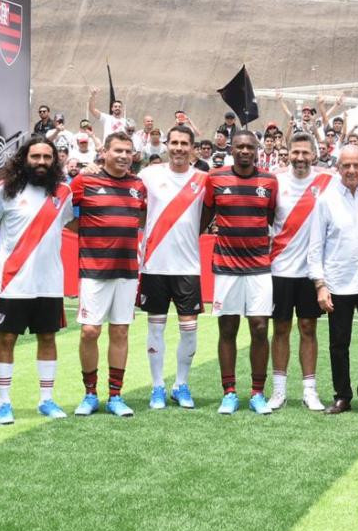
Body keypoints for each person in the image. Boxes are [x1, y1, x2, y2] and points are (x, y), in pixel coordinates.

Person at [0, 136, 74, 423]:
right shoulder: (3, 191)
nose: (41, 162)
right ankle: (3, 402)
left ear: (54, 161)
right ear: (24, 158)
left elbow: (64, 224)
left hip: (49, 282)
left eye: (47, 157)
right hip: (13, 281)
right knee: (7, 338)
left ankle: (46, 400)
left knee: (47, 337)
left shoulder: (64, 192)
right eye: (35, 157)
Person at [307, 146, 358, 416]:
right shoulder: (326, 199)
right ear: (338, 167)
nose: (352, 170)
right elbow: (315, 246)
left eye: (356, 165)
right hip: (338, 282)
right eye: (346, 166)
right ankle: (342, 396)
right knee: (339, 343)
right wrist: (320, 285)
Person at [70, 132, 146, 417]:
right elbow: (64, 215)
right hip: (93, 269)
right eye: (118, 151)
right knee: (90, 331)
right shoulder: (85, 181)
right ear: (104, 152)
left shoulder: (138, 185)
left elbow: (142, 217)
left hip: (127, 269)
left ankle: (115, 395)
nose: (124, 156)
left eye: (128, 151)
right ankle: (90, 393)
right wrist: (91, 232)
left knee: (121, 330)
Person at [203, 131, 279, 415]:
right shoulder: (215, 178)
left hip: (259, 265)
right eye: (240, 147)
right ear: (231, 150)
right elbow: (206, 215)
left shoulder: (269, 182)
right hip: (226, 266)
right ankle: (229, 392)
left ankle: (257, 392)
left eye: (250, 147)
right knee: (228, 328)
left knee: (260, 327)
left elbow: (269, 217)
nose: (245, 151)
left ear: (257, 150)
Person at [136, 125, 206, 411]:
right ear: (166, 145)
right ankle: (157, 387)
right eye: (174, 142)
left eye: (184, 143)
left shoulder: (203, 180)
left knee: (189, 330)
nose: (178, 148)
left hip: (188, 267)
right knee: (155, 329)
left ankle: (181, 384)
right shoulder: (149, 175)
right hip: (154, 265)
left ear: (192, 148)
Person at [268, 133, 332, 411]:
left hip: (311, 271)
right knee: (280, 329)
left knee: (308, 328)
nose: (300, 158)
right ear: (288, 153)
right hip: (279, 268)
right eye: (295, 152)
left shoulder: (329, 181)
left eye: (305, 152)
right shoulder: (275, 181)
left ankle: (309, 390)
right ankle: (279, 390)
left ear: (314, 155)